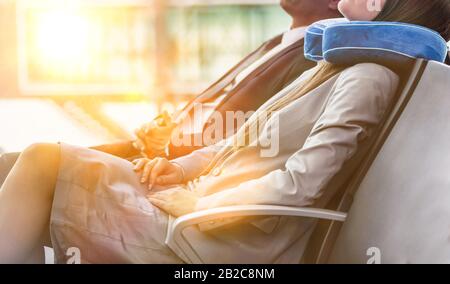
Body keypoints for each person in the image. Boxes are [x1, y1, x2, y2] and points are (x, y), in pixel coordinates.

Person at [0, 0, 449, 264]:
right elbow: (243, 141)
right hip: (208, 213)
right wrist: (180, 168)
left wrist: (199, 202)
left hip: (225, 238)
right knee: (40, 163)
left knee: (42, 162)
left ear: (379, 5)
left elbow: (300, 187)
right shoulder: (343, 68)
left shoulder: (367, 77)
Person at [0, 0, 342, 186]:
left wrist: (169, 148)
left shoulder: (312, 59)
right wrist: (169, 129)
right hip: (159, 155)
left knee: (33, 163)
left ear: (334, 3)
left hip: (174, 173)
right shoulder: (275, 44)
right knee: (7, 166)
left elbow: (255, 141)